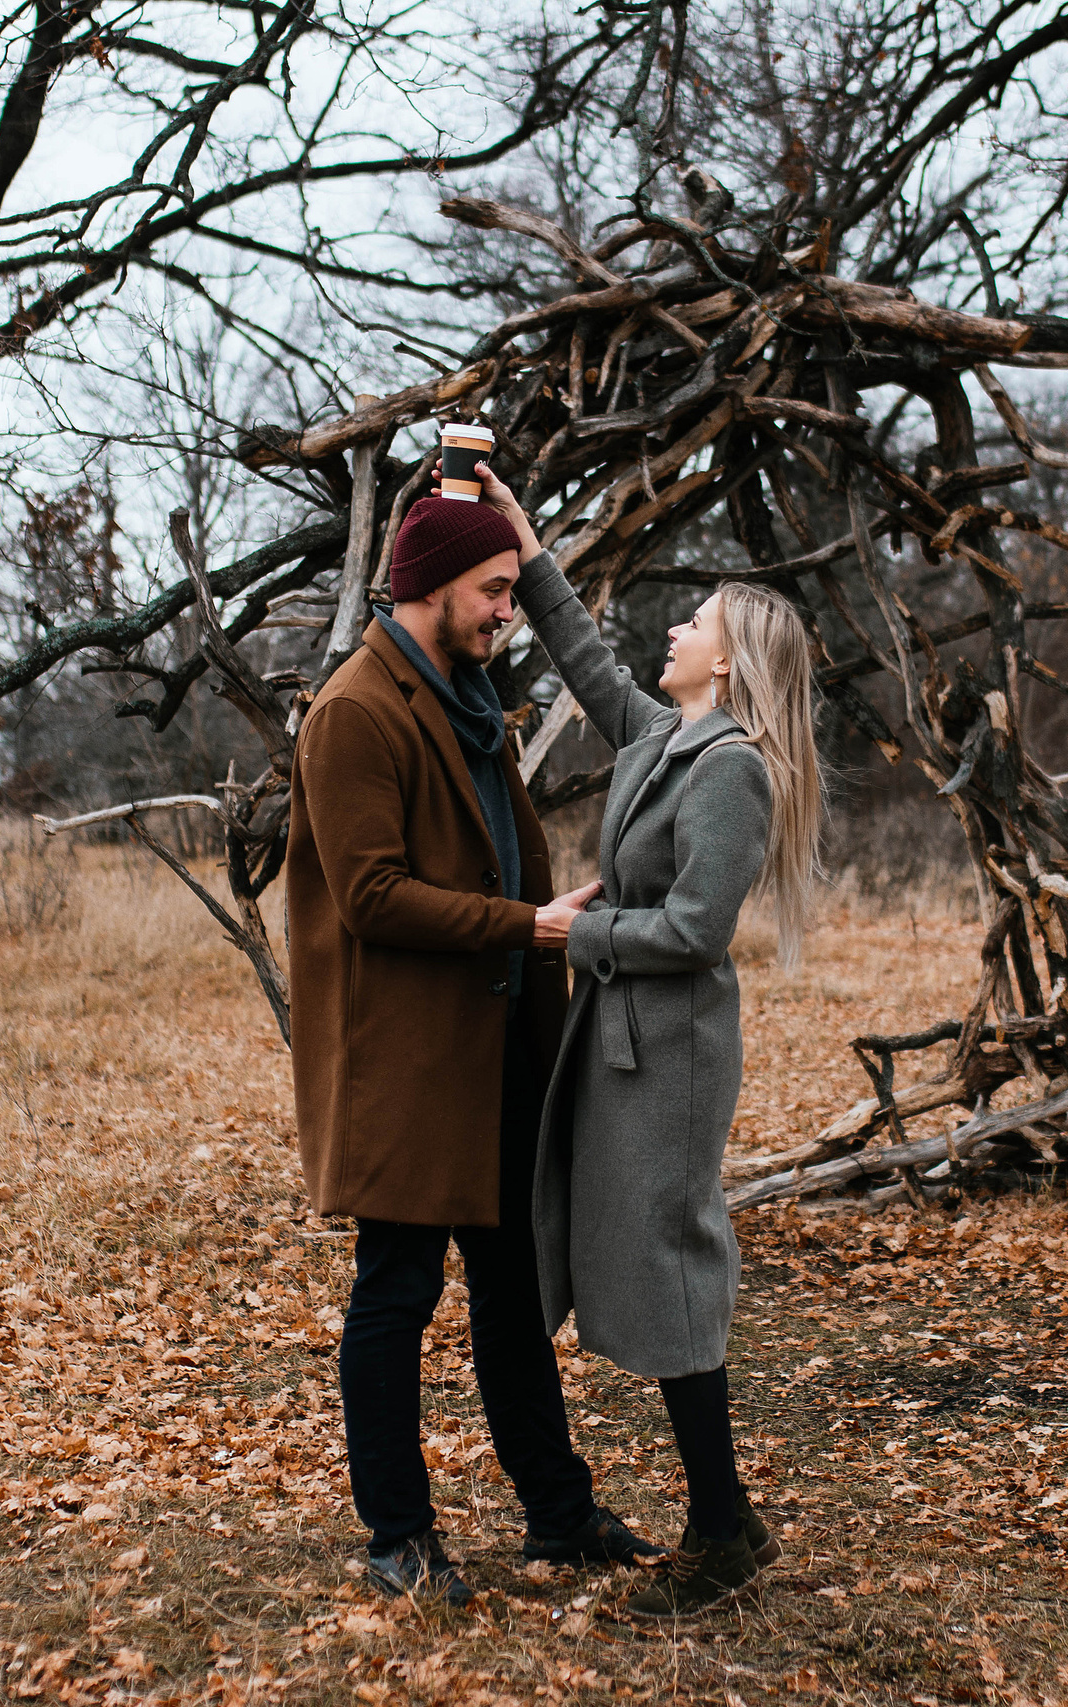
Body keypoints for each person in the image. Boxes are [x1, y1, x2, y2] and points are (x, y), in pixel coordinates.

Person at [286, 492, 661, 1605]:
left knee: (511, 1287)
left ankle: (557, 1514)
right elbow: (371, 898)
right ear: (431, 585)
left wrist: (545, 916)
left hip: (496, 1046)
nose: (508, 610)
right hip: (404, 1059)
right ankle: (397, 1542)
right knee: (394, 1293)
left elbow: (492, 859)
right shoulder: (356, 711)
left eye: (510, 589)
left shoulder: (463, 696)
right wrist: (528, 928)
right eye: (494, 590)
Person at [478, 463, 825, 1618]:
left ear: (726, 663)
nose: (673, 629)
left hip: (669, 1058)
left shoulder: (729, 772)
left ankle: (722, 1528)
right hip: (629, 1044)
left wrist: (574, 932)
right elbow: (588, 662)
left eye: (695, 621)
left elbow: (693, 930)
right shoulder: (663, 739)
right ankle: (722, 1519)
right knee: (647, 1262)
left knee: (675, 1267)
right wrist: (525, 552)